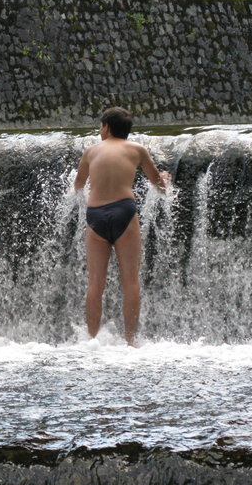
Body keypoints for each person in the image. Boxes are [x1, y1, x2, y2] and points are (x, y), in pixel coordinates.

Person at [73, 107, 170, 347]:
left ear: (106, 127)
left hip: (95, 214)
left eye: (100, 126)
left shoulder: (91, 151)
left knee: (95, 282)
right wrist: (165, 182)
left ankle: (92, 339)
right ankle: (130, 340)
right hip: (124, 211)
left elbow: (78, 186)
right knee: (130, 281)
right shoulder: (137, 149)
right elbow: (158, 184)